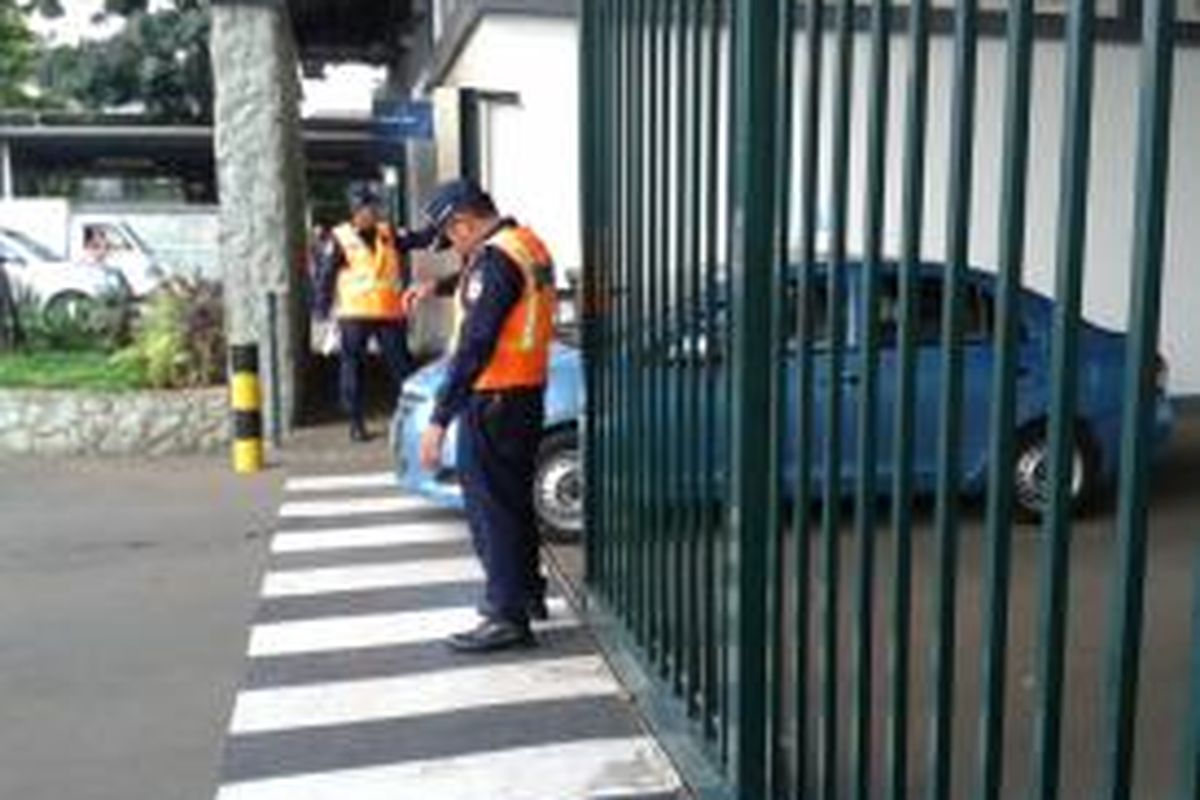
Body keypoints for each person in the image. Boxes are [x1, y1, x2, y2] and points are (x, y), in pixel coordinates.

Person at [417, 178, 555, 653]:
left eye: (451, 235)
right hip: (525, 395)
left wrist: (439, 418)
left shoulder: (494, 260)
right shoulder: (526, 245)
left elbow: (476, 342)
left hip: (492, 399)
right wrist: (438, 285)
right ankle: (527, 592)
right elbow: (492, 288)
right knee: (514, 503)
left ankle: (505, 615)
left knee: (490, 510)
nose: (453, 246)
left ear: (465, 220)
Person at [313, 187, 434, 442]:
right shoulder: (340, 237)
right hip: (355, 314)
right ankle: (356, 422)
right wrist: (322, 309)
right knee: (352, 368)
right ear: (355, 210)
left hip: (389, 313)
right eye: (368, 208)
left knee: (402, 366)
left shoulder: (387, 232)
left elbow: (420, 239)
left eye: (374, 207)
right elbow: (326, 274)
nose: (373, 212)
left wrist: (437, 223)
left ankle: (416, 417)